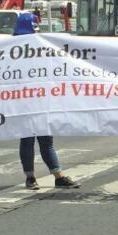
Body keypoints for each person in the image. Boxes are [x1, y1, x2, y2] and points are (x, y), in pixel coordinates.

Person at [13, 11, 79, 190]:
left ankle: (44, 177)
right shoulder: (26, 47)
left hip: (34, 100)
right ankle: (43, 177)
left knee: (38, 139)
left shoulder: (21, 47)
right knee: (36, 140)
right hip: (28, 100)